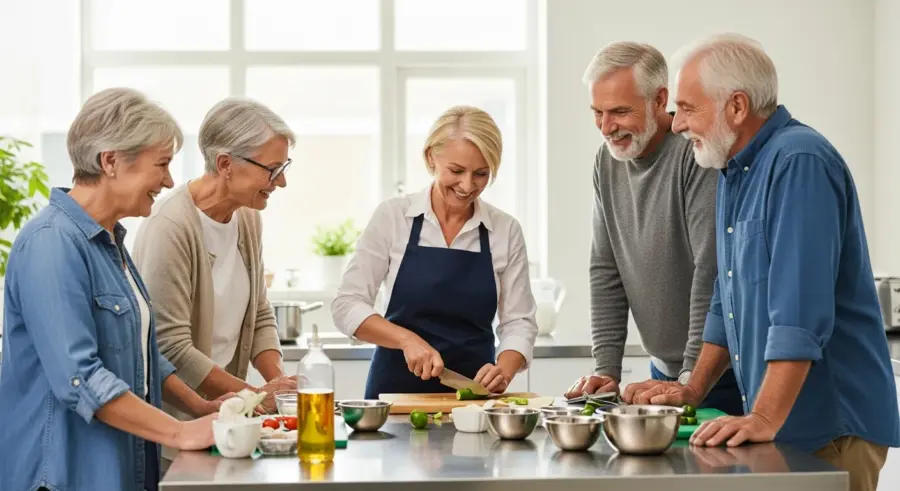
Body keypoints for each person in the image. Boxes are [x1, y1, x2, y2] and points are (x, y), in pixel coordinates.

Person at [630, 33, 900, 491]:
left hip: (832, 427)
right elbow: (726, 302)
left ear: (736, 107)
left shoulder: (800, 162)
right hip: (783, 424)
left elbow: (799, 313)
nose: (677, 125)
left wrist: (763, 416)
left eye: (688, 108)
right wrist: (693, 387)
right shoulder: (732, 171)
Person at [0, 88, 219, 491]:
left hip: (120, 469)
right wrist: (178, 432)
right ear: (111, 161)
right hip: (65, 477)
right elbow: (79, 377)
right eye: (162, 164)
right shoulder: (51, 243)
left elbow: (138, 354)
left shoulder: (109, 242)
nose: (169, 180)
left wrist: (199, 407)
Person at [562, 41, 743, 416]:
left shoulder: (696, 153)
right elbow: (606, 268)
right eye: (597, 112)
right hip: (663, 372)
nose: (606, 127)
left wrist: (690, 378)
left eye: (620, 111)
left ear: (660, 99)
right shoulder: (606, 162)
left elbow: (710, 270)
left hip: (718, 375)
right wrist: (606, 371)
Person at [331, 105, 538, 398]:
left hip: (473, 400)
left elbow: (519, 321)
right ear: (431, 157)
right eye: (456, 171)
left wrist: (503, 369)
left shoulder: (505, 230)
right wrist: (405, 339)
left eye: (481, 173)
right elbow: (347, 304)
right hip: (394, 397)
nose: (467, 185)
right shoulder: (394, 217)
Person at [133, 97, 296, 417]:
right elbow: (171, 347)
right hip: (179, 420)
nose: (282, 181)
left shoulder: (248, 217)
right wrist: (255, 395)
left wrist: (280, 386)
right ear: (225, 164)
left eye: (283, 167)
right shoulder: (170, 226)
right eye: (272, 169)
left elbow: (259, 315)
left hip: (228, 414)